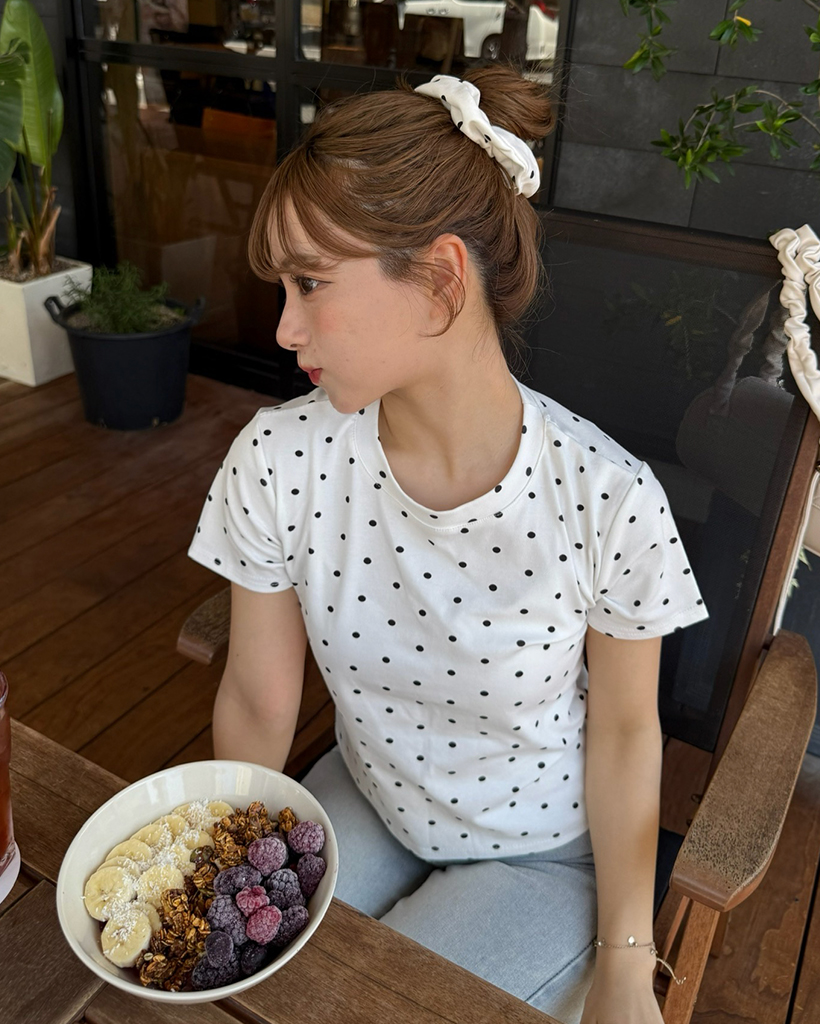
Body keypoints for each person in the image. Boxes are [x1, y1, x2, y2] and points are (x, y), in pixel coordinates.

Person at [187, 62, 710, 1023]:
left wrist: (627, 962)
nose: (284, 326)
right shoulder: (280, 457)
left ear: (439, 278)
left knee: (352, 1009)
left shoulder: (608, 499)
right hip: (368, 798)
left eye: (310, 283)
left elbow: (629, 735)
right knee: (230, 976)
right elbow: (259, 697)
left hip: (539, 854)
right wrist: (233, 873)